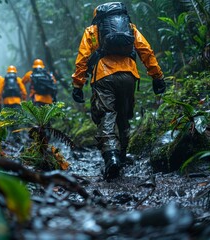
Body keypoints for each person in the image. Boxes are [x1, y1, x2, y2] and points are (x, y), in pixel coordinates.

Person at [71, 2, 166, 180]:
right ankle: (121, 156)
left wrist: (78, 84)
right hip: (129, 76)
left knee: (107, 114)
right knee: (124, 117)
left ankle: (111, 158)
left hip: (104, 77)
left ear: (97, 17)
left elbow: (83, 58)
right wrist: (157, 76)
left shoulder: (92, 31)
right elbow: (146, 51)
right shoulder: (130, 27)